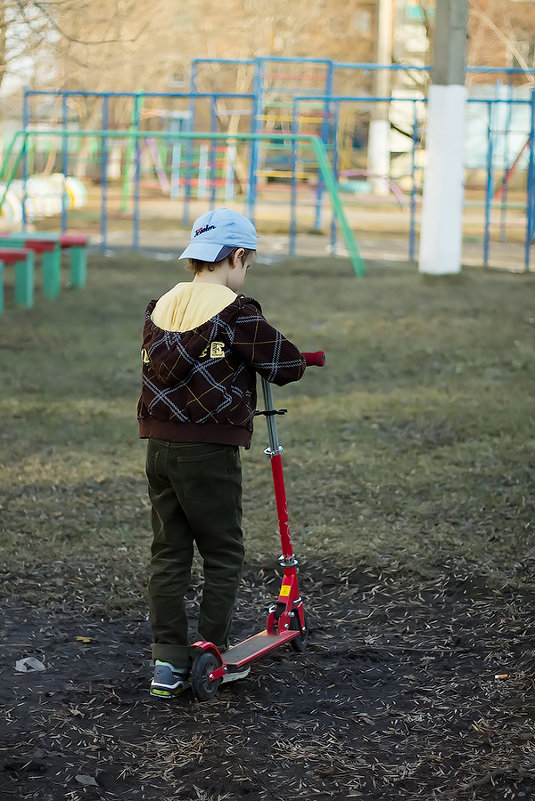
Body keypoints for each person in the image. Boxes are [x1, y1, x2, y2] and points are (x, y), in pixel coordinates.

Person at [137, 207, 306, 698]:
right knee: (223, 550)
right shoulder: (235, 310)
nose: (244, 275)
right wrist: (303, 358)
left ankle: (166, 664)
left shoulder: (160, 305)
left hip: (159, 447)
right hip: (209, 451)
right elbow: (285, 363)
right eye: (246, 265)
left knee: (169, 552)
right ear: (235, 257)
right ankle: (213, 653)